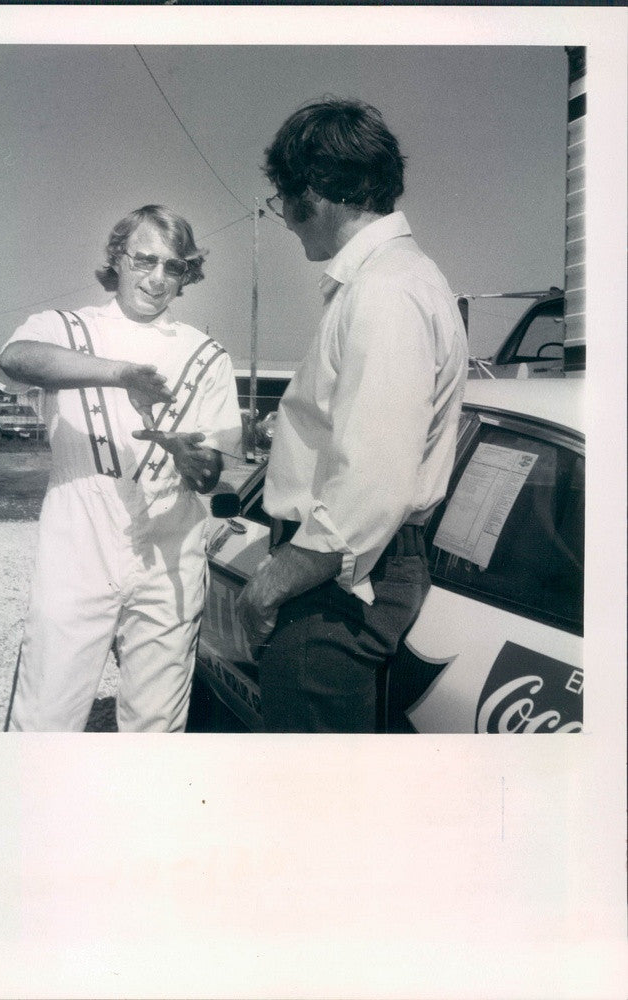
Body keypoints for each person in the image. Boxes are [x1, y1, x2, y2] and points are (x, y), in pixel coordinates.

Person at [237, 98, 468, 733]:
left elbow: (370, 481)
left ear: (314, 189)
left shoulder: (384, 290)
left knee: (316, 809)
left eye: (283, 195)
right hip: (355, 572)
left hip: (336, 588)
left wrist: (276, 579)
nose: (283, 217)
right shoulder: (399, 279)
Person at [0, 205, 242, 732]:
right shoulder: (68, 327)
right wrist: (121, 374)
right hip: (77, 549)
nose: (157, 279)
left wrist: (191, 458)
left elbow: (210, 473)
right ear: (117, 258)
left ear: (187, 274)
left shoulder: (208, 355)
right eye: (144, 260)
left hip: (169, 558)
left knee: (155, 729)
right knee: (45, 720)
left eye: (173, 267)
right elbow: (15, 361)